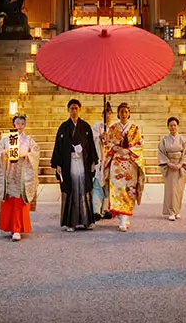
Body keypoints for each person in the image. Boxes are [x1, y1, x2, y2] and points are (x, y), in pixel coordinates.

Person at [51, 98, 99, 232]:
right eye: (71, 108)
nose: (73, 111)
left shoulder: (85, 126)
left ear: (80, 110)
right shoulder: (63, 127)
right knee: (71, 190)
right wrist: (58, 164)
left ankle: (86, 221)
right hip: (69, 163)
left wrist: (93, 162)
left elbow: (91, 145)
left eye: (76, 108)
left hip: (82, 162)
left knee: (84, 189)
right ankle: (71, 222)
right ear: (68, 110)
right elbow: (58, 147)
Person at [0, 114, 39, 241]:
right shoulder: (7, 139)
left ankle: (17, 229)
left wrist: (27, 155)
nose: (20, 126)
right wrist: (4, 153)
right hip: (9, 171)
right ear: (14, 124)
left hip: (22, 172)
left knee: (19, 201)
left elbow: (35, 153)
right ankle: (10, 227)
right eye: (18, 123)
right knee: (10, 200)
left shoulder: (28, 140)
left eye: (22, 123)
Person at [101, 102, 145, 232]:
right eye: (121, 112)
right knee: (118, 190)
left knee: (130, 190)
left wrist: (129, 150)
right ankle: (122, 218)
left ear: (129, 113)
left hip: (130, 163)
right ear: (118, 114)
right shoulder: (113, 128)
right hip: (117, 164)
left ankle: (125, 216)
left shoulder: (135, 128)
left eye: (126, 111)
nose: (124, 114)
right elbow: (107, 143)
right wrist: (115, 147)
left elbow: (140, 144)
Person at [158, 116, 186, 221]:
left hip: (180, 167)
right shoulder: (164, 139)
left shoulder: (182, 139)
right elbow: (161, 153)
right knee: (170, 190)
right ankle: (171, 212)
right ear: (168, 127)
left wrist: (181, 164)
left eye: (174, 125)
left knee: (179, 190)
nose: (173, 127)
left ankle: (177, 211)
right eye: (171, 125)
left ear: (177, 126)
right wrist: (168, 163)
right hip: (169, 166)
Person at [91, 102, 113, 220]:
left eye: (109, 114)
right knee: (97, 184)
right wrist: (99, 137)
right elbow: (92, 139)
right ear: (102, 115)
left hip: (110, 159)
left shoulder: (114, 128)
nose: (108, 116)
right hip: (99, 157)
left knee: (108, 185)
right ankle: (96, 210)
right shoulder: (96, 127)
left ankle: (106, 209)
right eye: (105, 114)